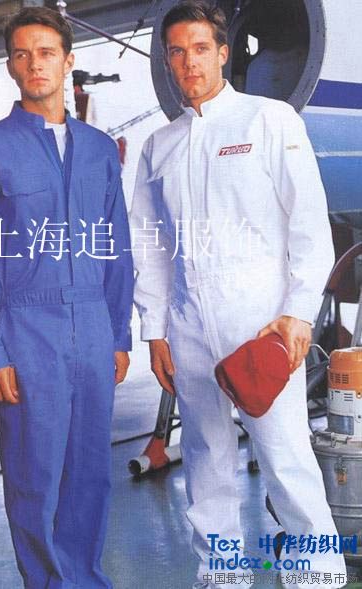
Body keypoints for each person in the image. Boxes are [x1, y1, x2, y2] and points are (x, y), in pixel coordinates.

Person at [131, 2, 346, 588]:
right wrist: (155, 330)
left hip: (261, 323)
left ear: (224, 53)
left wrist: (299, 313)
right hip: (188, 328)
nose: (189, 63)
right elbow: (150, 246)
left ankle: (316, 573)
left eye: (201, 49)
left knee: (284, 456)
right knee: (206, 461)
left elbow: (309, 226)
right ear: (168, 61)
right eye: (177, 52)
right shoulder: (159, 147)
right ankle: (223, 574)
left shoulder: (268, 121)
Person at [0, 7, 133, 588]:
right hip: (27, 335)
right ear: (11, 66)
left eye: (47, 52)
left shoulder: (100, 151)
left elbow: (115, 248)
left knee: (90, 478)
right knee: (35, 480)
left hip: (94, 332)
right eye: (22, 54)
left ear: (68, 61)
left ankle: (86, 580)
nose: (35, 64)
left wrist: (119, 335)